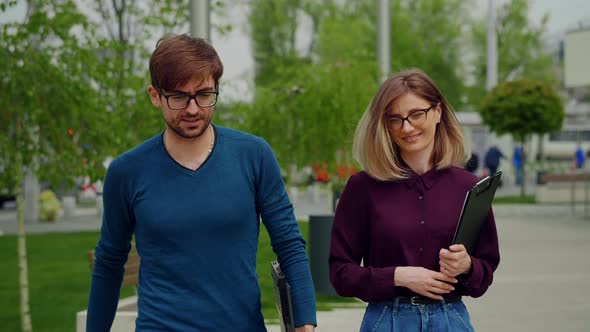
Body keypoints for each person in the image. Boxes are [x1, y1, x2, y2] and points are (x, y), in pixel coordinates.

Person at [86, 34, 316, 332]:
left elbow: (289, 245)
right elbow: (109, 263)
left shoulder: (253, 155)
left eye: (205, 94)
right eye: (179, 97)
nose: (193, 109)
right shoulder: (127, 172)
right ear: (155, 96)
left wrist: (306, 324)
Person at [328, 69, 500, 331]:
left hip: (450, 320)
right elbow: (340, 273)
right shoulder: (362, 187)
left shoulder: (469, 187)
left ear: (438, 112)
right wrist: (399, 276)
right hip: (387, 320)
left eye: (416, 114)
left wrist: (466, 266)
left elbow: (484, 274)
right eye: (394, 119)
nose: (406, 127)